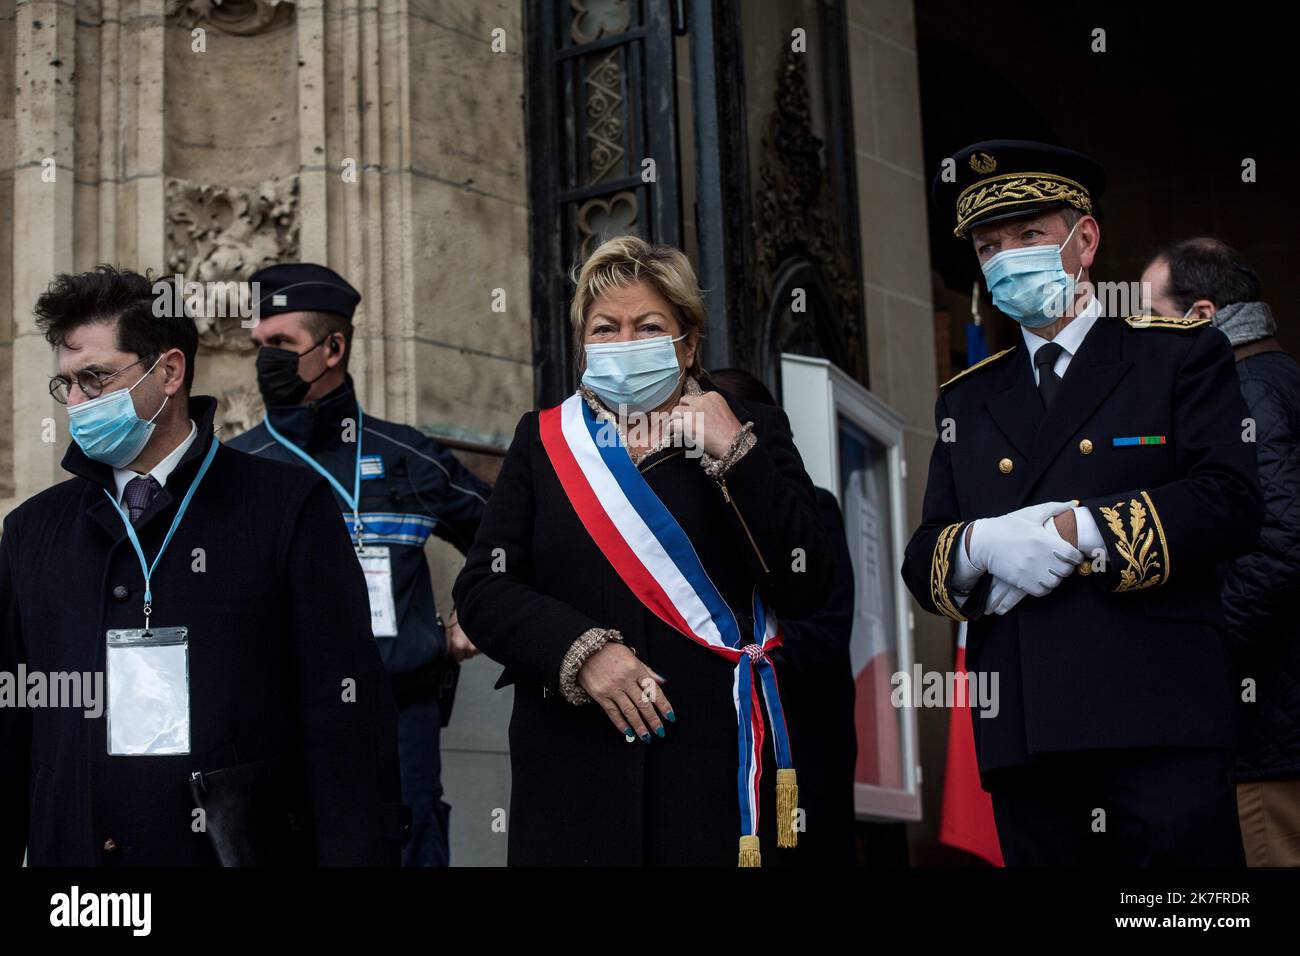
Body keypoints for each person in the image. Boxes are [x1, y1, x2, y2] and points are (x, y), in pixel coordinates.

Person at [902, 141, 1263, 865]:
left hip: (1157, 718)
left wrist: (1084, 528)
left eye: (1030, 236)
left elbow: (1229, 501)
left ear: (1085, 238)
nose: (1007, 258)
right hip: (1028, 734)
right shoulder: (967, 400)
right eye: (988, 245)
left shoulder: (1176, 355)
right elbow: (924, 557)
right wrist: (979, 547)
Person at [0, 266, 404, 866]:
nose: (78, 403)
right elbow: (11, 730)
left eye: (95, 378)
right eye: (67, 386)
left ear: (168, 372)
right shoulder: (32, 529)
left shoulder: (287, 507)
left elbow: (345, 725)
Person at [453, 236, 832, 866]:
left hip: (709, 765)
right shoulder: (544, 442)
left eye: (648, 326)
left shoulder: (749, 428)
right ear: (583, 345)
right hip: (574, 769)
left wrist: (735, 455)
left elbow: (807, 582)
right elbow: (484, 590)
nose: (625, 343)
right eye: (605, 328)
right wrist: (584, 653)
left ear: (687, 344)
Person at [227, 263, 490, 868]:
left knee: (407, 849)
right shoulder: (237, 467)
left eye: (282, 345)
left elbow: (504, 536)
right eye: (259, 347)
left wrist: (473, 612)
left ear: (334, 347)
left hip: (402, 715)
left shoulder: (407, 456)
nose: (266, 360)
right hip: (280, 719)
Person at [1142, 238, 1300, 866]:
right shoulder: (1275, 377)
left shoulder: (1247, 393)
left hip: (1273, 738)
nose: (1140, 333)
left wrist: (1192, 653)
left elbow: (1279, 549)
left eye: (1153, 315)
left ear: (1202, 316)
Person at [707, 367, 857, 865]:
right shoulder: (694, 514)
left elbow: (827, 630)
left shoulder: (814, 513)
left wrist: (743, 653)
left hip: (803, 732)